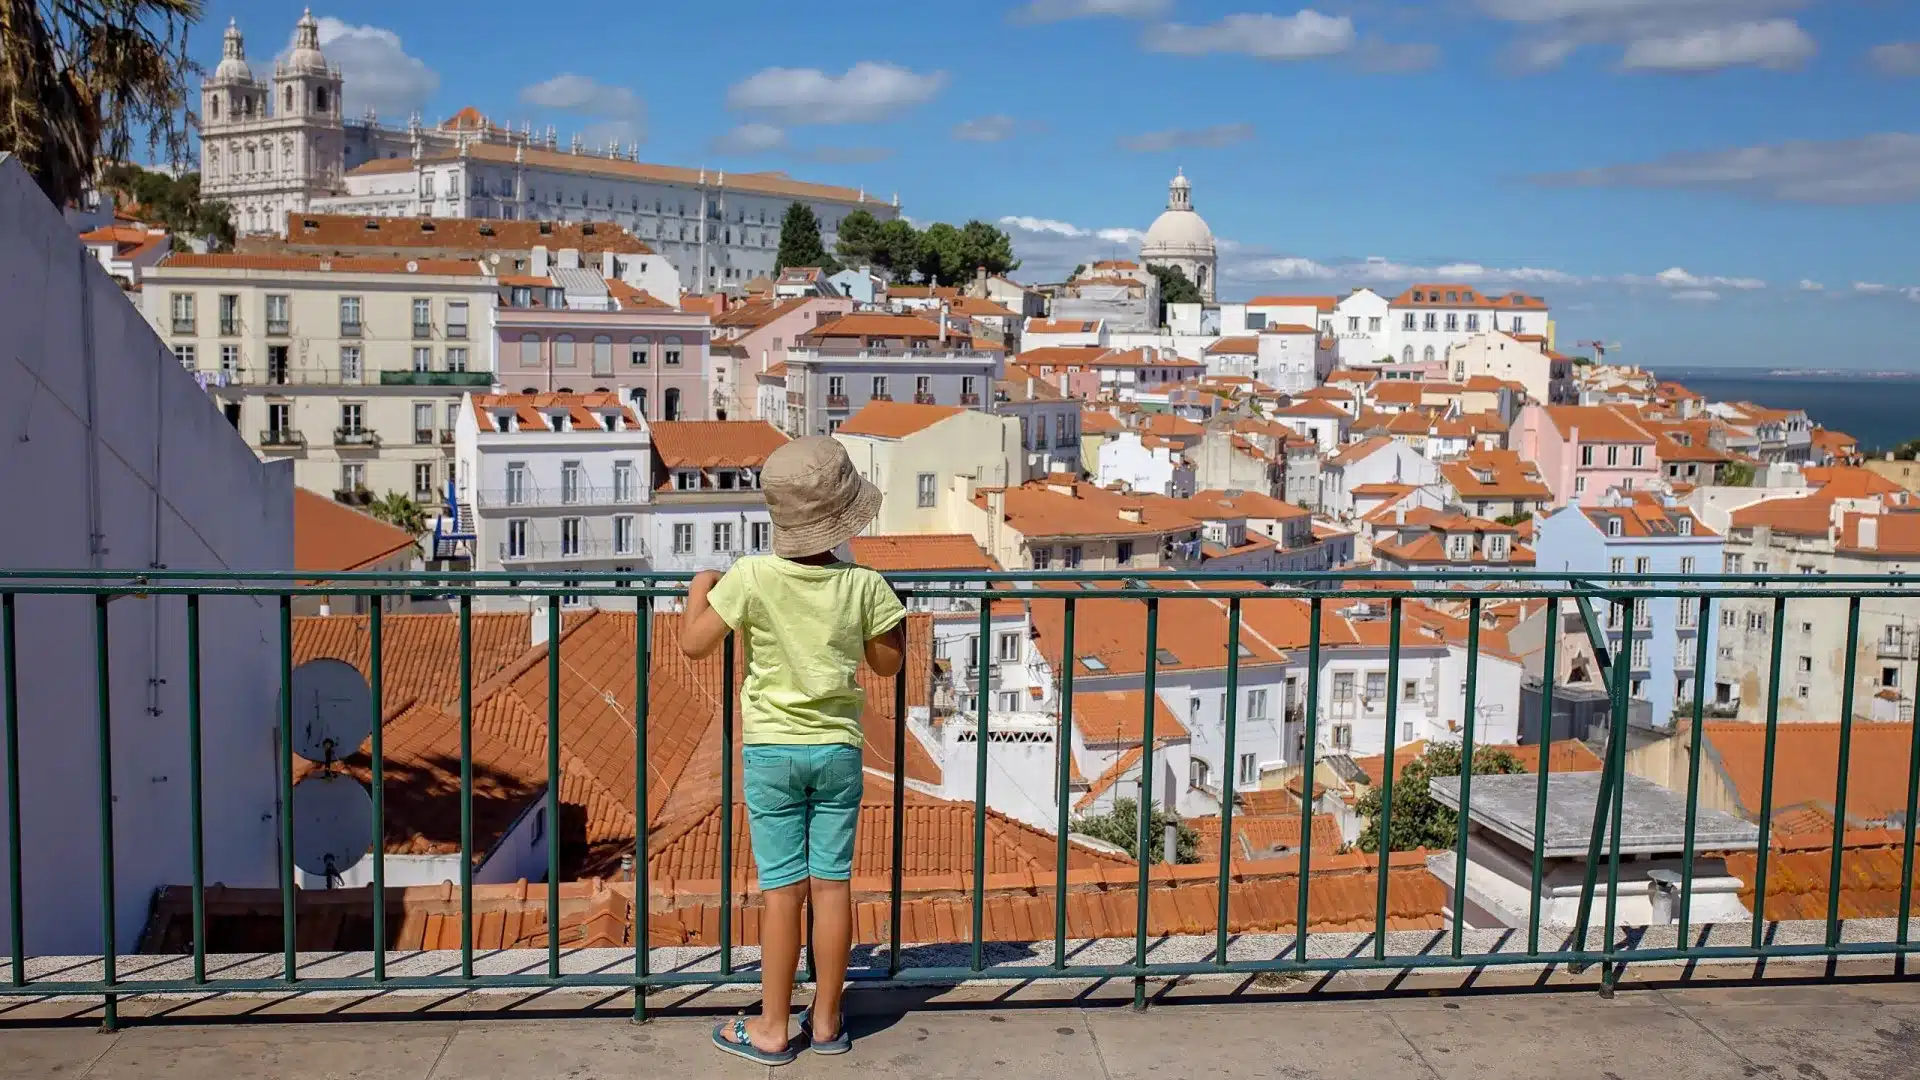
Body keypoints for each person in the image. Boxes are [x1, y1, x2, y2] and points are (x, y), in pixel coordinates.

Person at [681, 435, 905, 1066]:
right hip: (838, 751)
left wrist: (701, 586)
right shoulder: (865, 584)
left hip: (773, 751)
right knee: (833, 887)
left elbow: (696, 644)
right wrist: (889, 621)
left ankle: (773, 1027)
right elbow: (886, 664)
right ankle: (829, 1021)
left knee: (783, 892)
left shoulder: (751, 576)